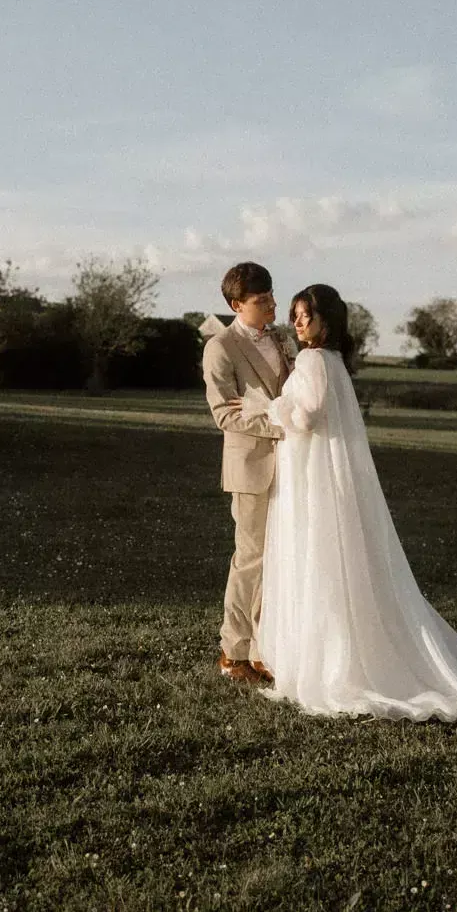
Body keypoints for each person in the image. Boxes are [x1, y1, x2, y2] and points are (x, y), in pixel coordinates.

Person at [241, 283, 457, 730]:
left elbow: (307, 416)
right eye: (296, 315)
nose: (299, 323)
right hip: (315, 471)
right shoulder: (333, 361)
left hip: (310, 476)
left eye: (307, 315)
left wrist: (273, 408)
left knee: (316, 556)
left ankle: (331, 667)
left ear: (327, 321)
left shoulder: (314, 361)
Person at [201, 261, 297, 685]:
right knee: (251, 560)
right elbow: (225, 414)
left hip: (293, 467)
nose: (272, 305)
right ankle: (233, 651)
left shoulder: (282, 338)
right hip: (252, 468)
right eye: (261, 300)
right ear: (236, 305)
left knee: (279, 560)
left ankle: (263, 651)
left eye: (272, 296)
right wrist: (283, 426)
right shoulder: (220, 347)